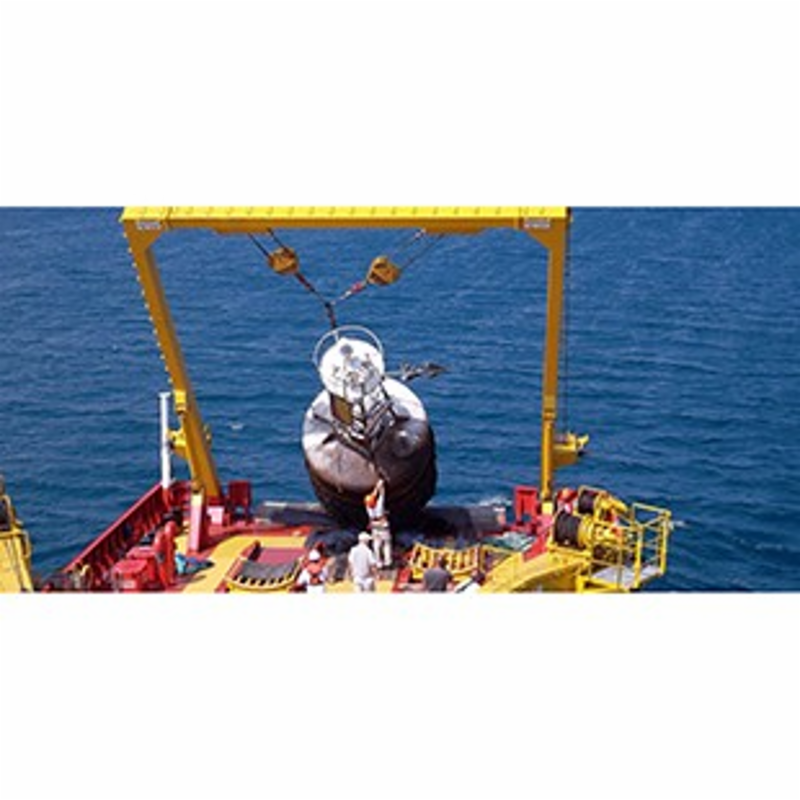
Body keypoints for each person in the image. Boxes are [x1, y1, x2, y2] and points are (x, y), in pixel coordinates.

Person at [365, 478, 392, 568]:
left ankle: (379, 563)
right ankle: (388, 562)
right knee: (386, 544)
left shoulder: (368, 508)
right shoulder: (379, 506)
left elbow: (372, 497)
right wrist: (380, 485)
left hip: (375, 527)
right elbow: (382, 495)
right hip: (383, 527)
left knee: (376, 545)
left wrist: (376, 488)